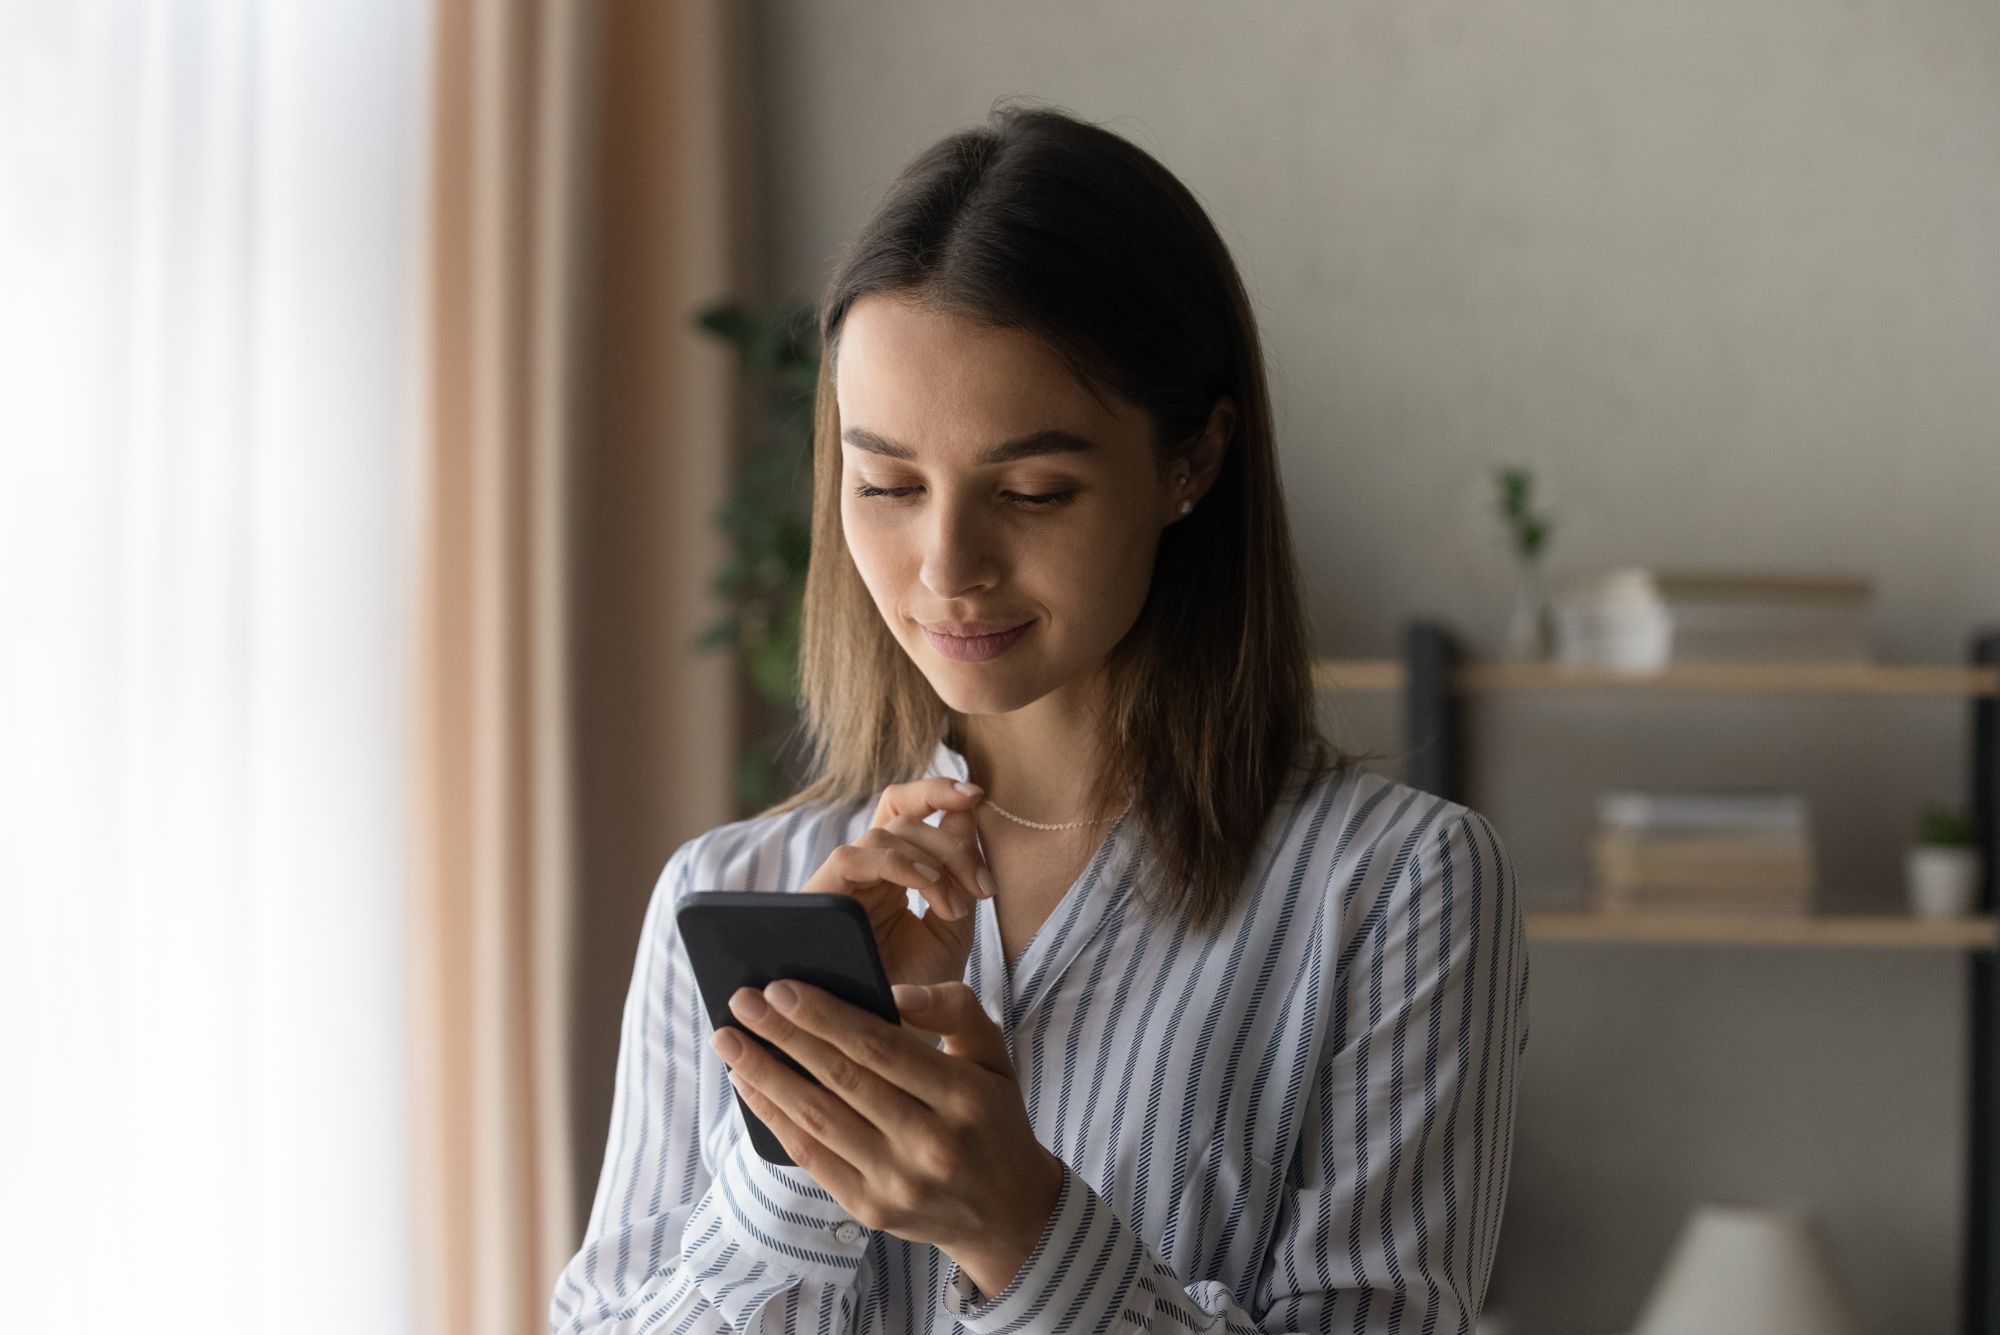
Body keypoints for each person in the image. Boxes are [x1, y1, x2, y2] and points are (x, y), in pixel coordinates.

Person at [549, 100, 1529, 1335]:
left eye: (1030, 490)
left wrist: (1017, 1230)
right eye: (887, 484)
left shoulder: (1394, 888)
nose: (945, 565)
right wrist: (790, 1163)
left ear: (1193, 461)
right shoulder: (733, 890)